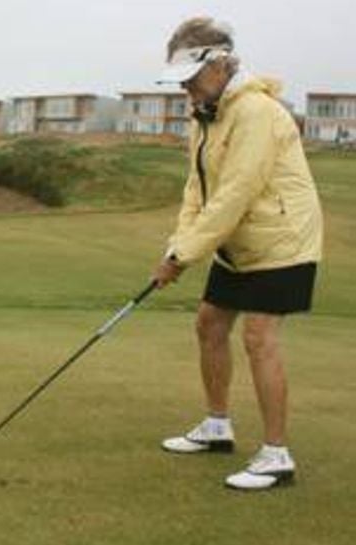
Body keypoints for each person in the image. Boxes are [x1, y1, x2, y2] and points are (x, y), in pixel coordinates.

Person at [151, 17, 323, 491]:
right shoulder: (205, 113)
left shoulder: (257, 113)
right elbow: (197, 187)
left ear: (220, 63)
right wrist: (177, 244)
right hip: (240, 241)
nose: (186, 89)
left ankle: (276, 455)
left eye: (191, 78)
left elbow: (236, 193)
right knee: (209, 322)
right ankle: (217, 425)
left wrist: (182, 257)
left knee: (258, 337)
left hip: (283, 239)